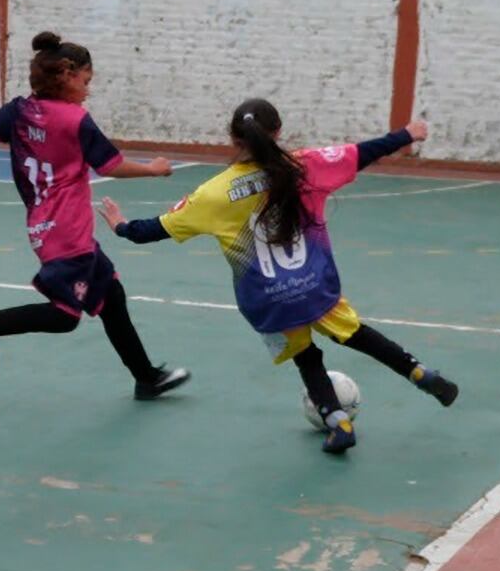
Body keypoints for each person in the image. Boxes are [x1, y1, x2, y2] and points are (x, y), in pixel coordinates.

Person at [100, 98, 458, 454]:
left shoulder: (212, 193)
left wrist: (121, 226)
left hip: (269, 301)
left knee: (306, 357)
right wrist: (405, 134)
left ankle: (337, 421)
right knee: (357, 335)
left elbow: (155, 229)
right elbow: (362, 153)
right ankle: (420, 373)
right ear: (278, 133)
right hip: (314, 286)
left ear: (232, 138)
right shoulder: (305, 166)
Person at [0, 31, 189, 399]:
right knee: (65, 317)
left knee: (111, 296)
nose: (87, 89)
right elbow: (110, 164)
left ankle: (146, 378)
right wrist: (154, 168)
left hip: (45, 226)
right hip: (68, 232)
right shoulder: (74, 119)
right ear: (66, 76)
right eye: (86, 81)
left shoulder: (17, 111)